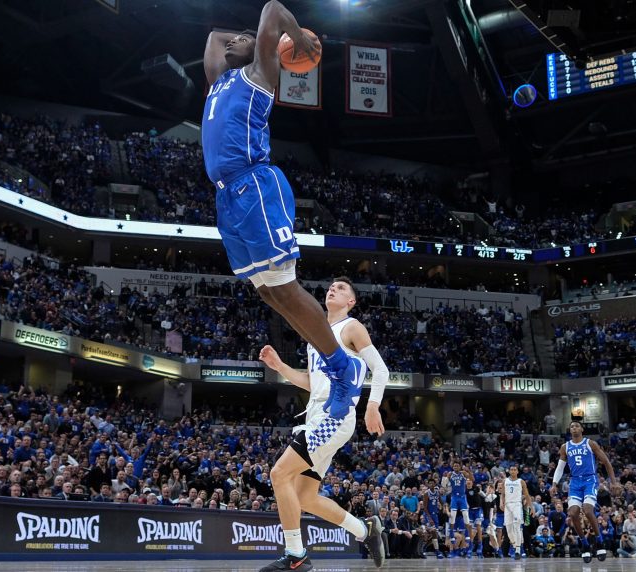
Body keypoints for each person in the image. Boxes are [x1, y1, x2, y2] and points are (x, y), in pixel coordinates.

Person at [200, 0, 363, 425]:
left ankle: (344, 371)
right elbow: (214, 38)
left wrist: (297, 37)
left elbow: (272, 8)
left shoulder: (260, 75)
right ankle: (336, 367)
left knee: (286, 288)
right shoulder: (220, 80)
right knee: (268, 292)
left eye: (244, 40)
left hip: (255, 185)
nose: (231, 41)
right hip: (228, 195)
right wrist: (244, 39)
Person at [258, 277, 386, 571]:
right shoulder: (316, 335)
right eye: (331, 286)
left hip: (335, 416)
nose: (333, 289)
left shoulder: (351, 327)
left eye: (341, 289)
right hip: (316, 414)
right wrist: (280, 367)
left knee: (279, 474)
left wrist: (373, 405)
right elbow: (311, 382)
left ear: (351, 302)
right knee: (305, 497)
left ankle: (295, 555)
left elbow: (380, 368)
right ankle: (366, 531)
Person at [549, 421, 619, 563]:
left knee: (587, 510)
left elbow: (606, 462)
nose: (574, 427)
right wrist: (554, 483)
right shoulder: (565, 447)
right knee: (573, 513)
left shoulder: (590, 443)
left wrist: (614, 482)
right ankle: (584, 544)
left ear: (581, 429)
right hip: (575, 482)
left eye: (576, 426)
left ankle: (599, 541)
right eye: (572, 426)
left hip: (590, 480)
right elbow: (560, 467)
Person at [500, 464, 529, 560]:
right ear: (509, 471)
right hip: (508, 505)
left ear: (517, 471)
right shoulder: (505, 481)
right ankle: (514, 544)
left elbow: (527, 495)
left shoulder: (521, 481)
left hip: (517, 505)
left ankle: (517, 550)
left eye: (514, 470)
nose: (513, 471)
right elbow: (502, 494)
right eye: (511, 469)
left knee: (517, 527)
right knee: (508, 529)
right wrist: (501, 502)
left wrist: (531, 507)